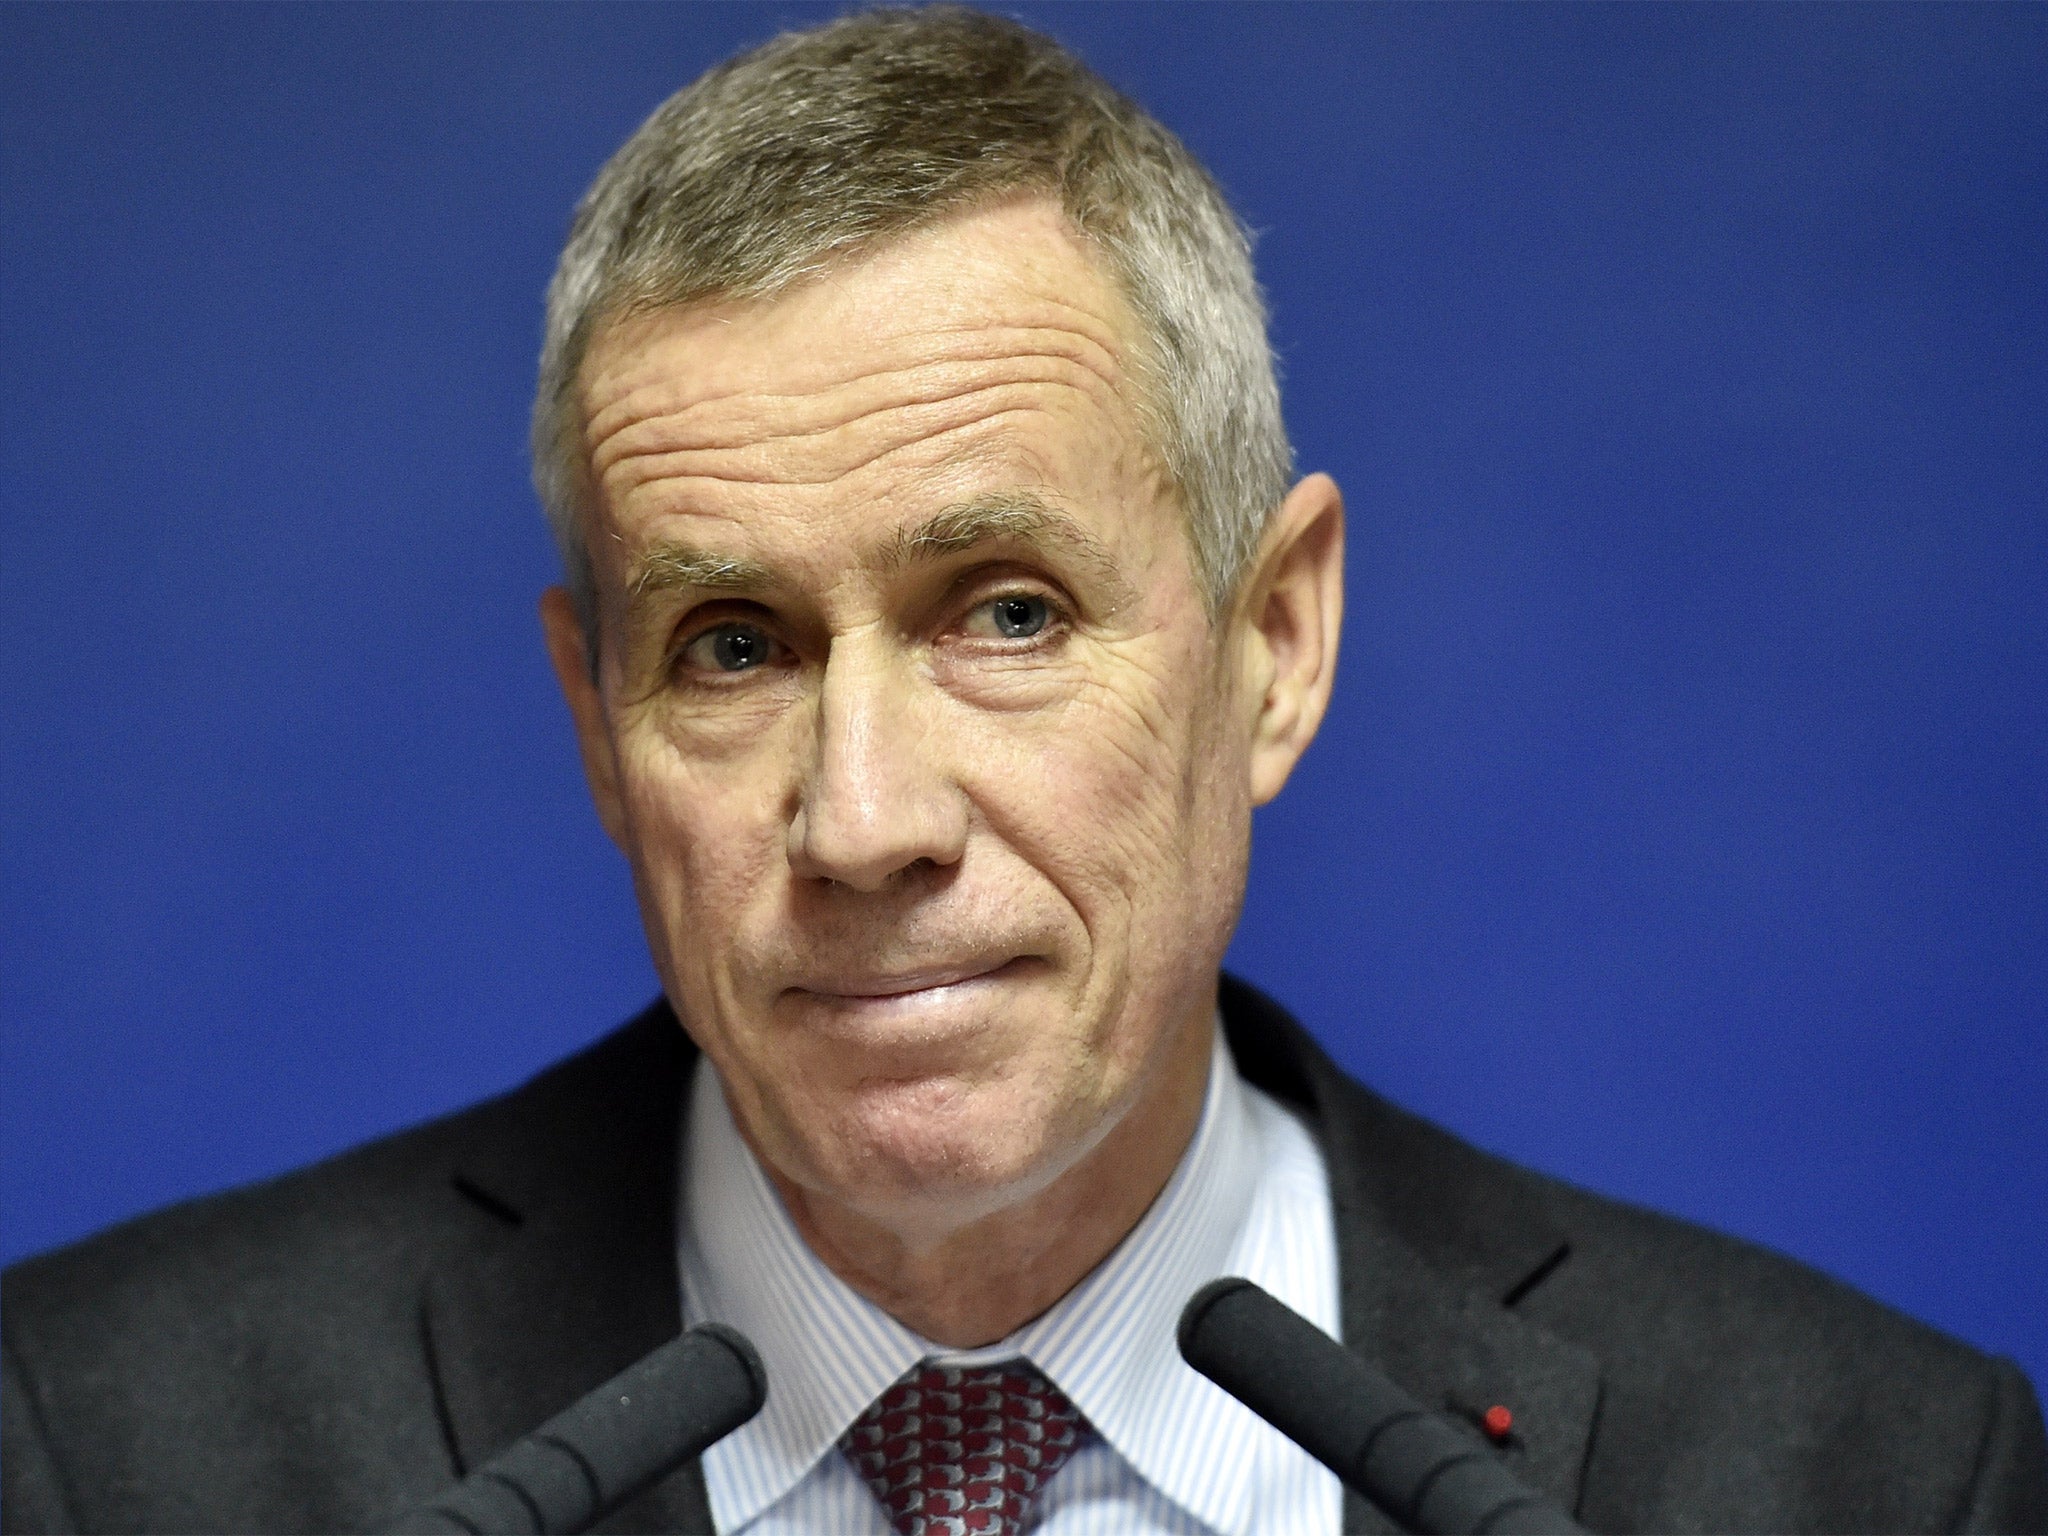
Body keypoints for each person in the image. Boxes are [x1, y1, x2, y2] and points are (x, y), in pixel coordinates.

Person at [4, 9, 2043, 1534]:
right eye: (733, 647)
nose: (866, 820)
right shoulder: (100, 1450)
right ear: (593, 724)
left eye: (1005, 613)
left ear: (1274, 642)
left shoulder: (1865, 1474)